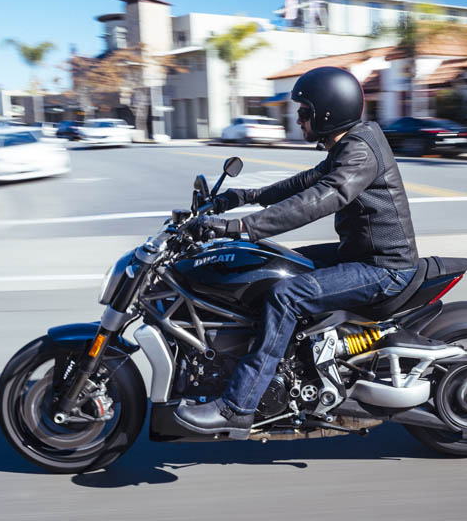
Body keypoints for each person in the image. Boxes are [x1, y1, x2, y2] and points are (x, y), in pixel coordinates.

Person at [173, 66, 419, 436]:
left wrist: (242, 227)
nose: (299, 120)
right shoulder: (352, 141)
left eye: (304, 112)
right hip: (358, 254)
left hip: (383, 268)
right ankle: (293, 362)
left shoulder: (359, 152)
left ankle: (238, 405)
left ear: (327, 113)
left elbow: (321, 198)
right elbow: (307, 181)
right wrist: (244, 198)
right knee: (275, 264)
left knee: (285, 295)